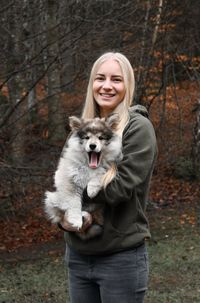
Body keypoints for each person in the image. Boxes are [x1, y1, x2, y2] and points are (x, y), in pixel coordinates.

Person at [59, 52, 157, 303]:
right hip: (78, 255)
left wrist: (74, 190)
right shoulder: (80, 130)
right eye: (100, 78)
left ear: (128, 85)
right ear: (92, 83)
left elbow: (119, 188)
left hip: (120, 258)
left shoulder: (137, 128)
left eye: (116, 79)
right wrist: (64, 219)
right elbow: (61, 181)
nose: (107, 86)